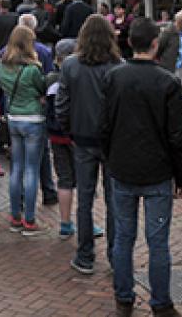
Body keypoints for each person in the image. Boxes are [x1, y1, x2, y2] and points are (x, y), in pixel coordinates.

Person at [101, 17, 182, 317]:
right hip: (157, 170)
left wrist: (111, 158)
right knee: (158, 242)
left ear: (129, 43)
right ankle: (161, 304)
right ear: (155, 45)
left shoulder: (114, 78)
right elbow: (178, 135)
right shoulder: (167, 82)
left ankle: (124, 299)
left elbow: (105, 125)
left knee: (124, 239)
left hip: (123, 168)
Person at [58, 15, 121, 274]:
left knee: (85, 198)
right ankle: (116, 256)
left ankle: (85, 255)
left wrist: (68, 129)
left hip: (82, 138)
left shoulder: (71, 66)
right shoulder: (118, 66)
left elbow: (61, 103)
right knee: (113, 199)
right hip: (111, 140)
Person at [0, 26, 49, 236]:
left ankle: (14, 215)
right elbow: (41, 90)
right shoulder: (32, 69)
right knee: (31, 170)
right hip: (33, 118)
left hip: (13, 118)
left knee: (16, 168)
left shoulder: (1, 66)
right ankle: (29, 219)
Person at [46, 39, 79, 239]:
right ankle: (87, 222)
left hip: (56, 136)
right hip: (76, 136)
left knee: (64, 179)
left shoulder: (50, 78)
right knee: (84, 181)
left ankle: (65, 223)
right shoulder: (77, 77)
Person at [155, 10, 182, 83]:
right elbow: (160, 46)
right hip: (170, 64)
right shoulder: (168, 31)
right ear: (181, 21)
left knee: (180, 86)